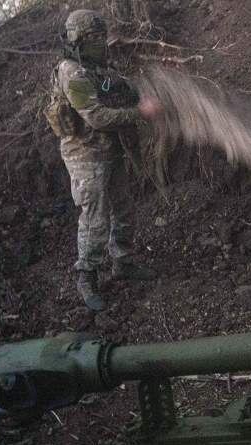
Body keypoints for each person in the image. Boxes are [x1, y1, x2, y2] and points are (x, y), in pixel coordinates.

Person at [45, 9, 162, 311]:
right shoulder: (72, 73)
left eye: (102, 36)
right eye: (96, 38)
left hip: (110, 150)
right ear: (80, 40)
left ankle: (122, 261)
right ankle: (87, 276)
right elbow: (96, 117)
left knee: (124, 208)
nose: (103, 43)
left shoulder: (96, 67)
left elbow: (117, 88)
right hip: (85, 156)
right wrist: (140, 113)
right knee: (94, 218)